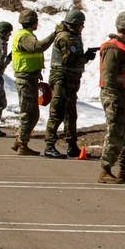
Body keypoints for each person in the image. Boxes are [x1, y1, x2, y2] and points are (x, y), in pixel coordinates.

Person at [44, 9, 97, 158]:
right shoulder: (65, 38)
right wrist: (84, 57)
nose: (83, 27)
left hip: (71, 80)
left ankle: (71, 145)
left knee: (71, 114)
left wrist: (84, 57)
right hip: (61, 79)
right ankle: (49, 145)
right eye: (81, 24)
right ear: (75, 24)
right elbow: (69, 59)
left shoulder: (74, 36)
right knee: (57, 112)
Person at [97, 11, 125, 184]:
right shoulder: (113, 48)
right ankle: (105, 170)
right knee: (115, 132)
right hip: (114, 95)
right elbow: (107, 77)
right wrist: (114, 100)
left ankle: (124, 170)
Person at [10, 9, 55, 156]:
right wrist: (54, 35)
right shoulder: (25, 37)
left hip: (30, 77)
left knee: (31, 112)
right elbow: (38, 46)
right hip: (26, 79)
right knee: (29, 113)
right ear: (33, 22)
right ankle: (22, 143)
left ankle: (20, 140)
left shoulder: (25, 35)